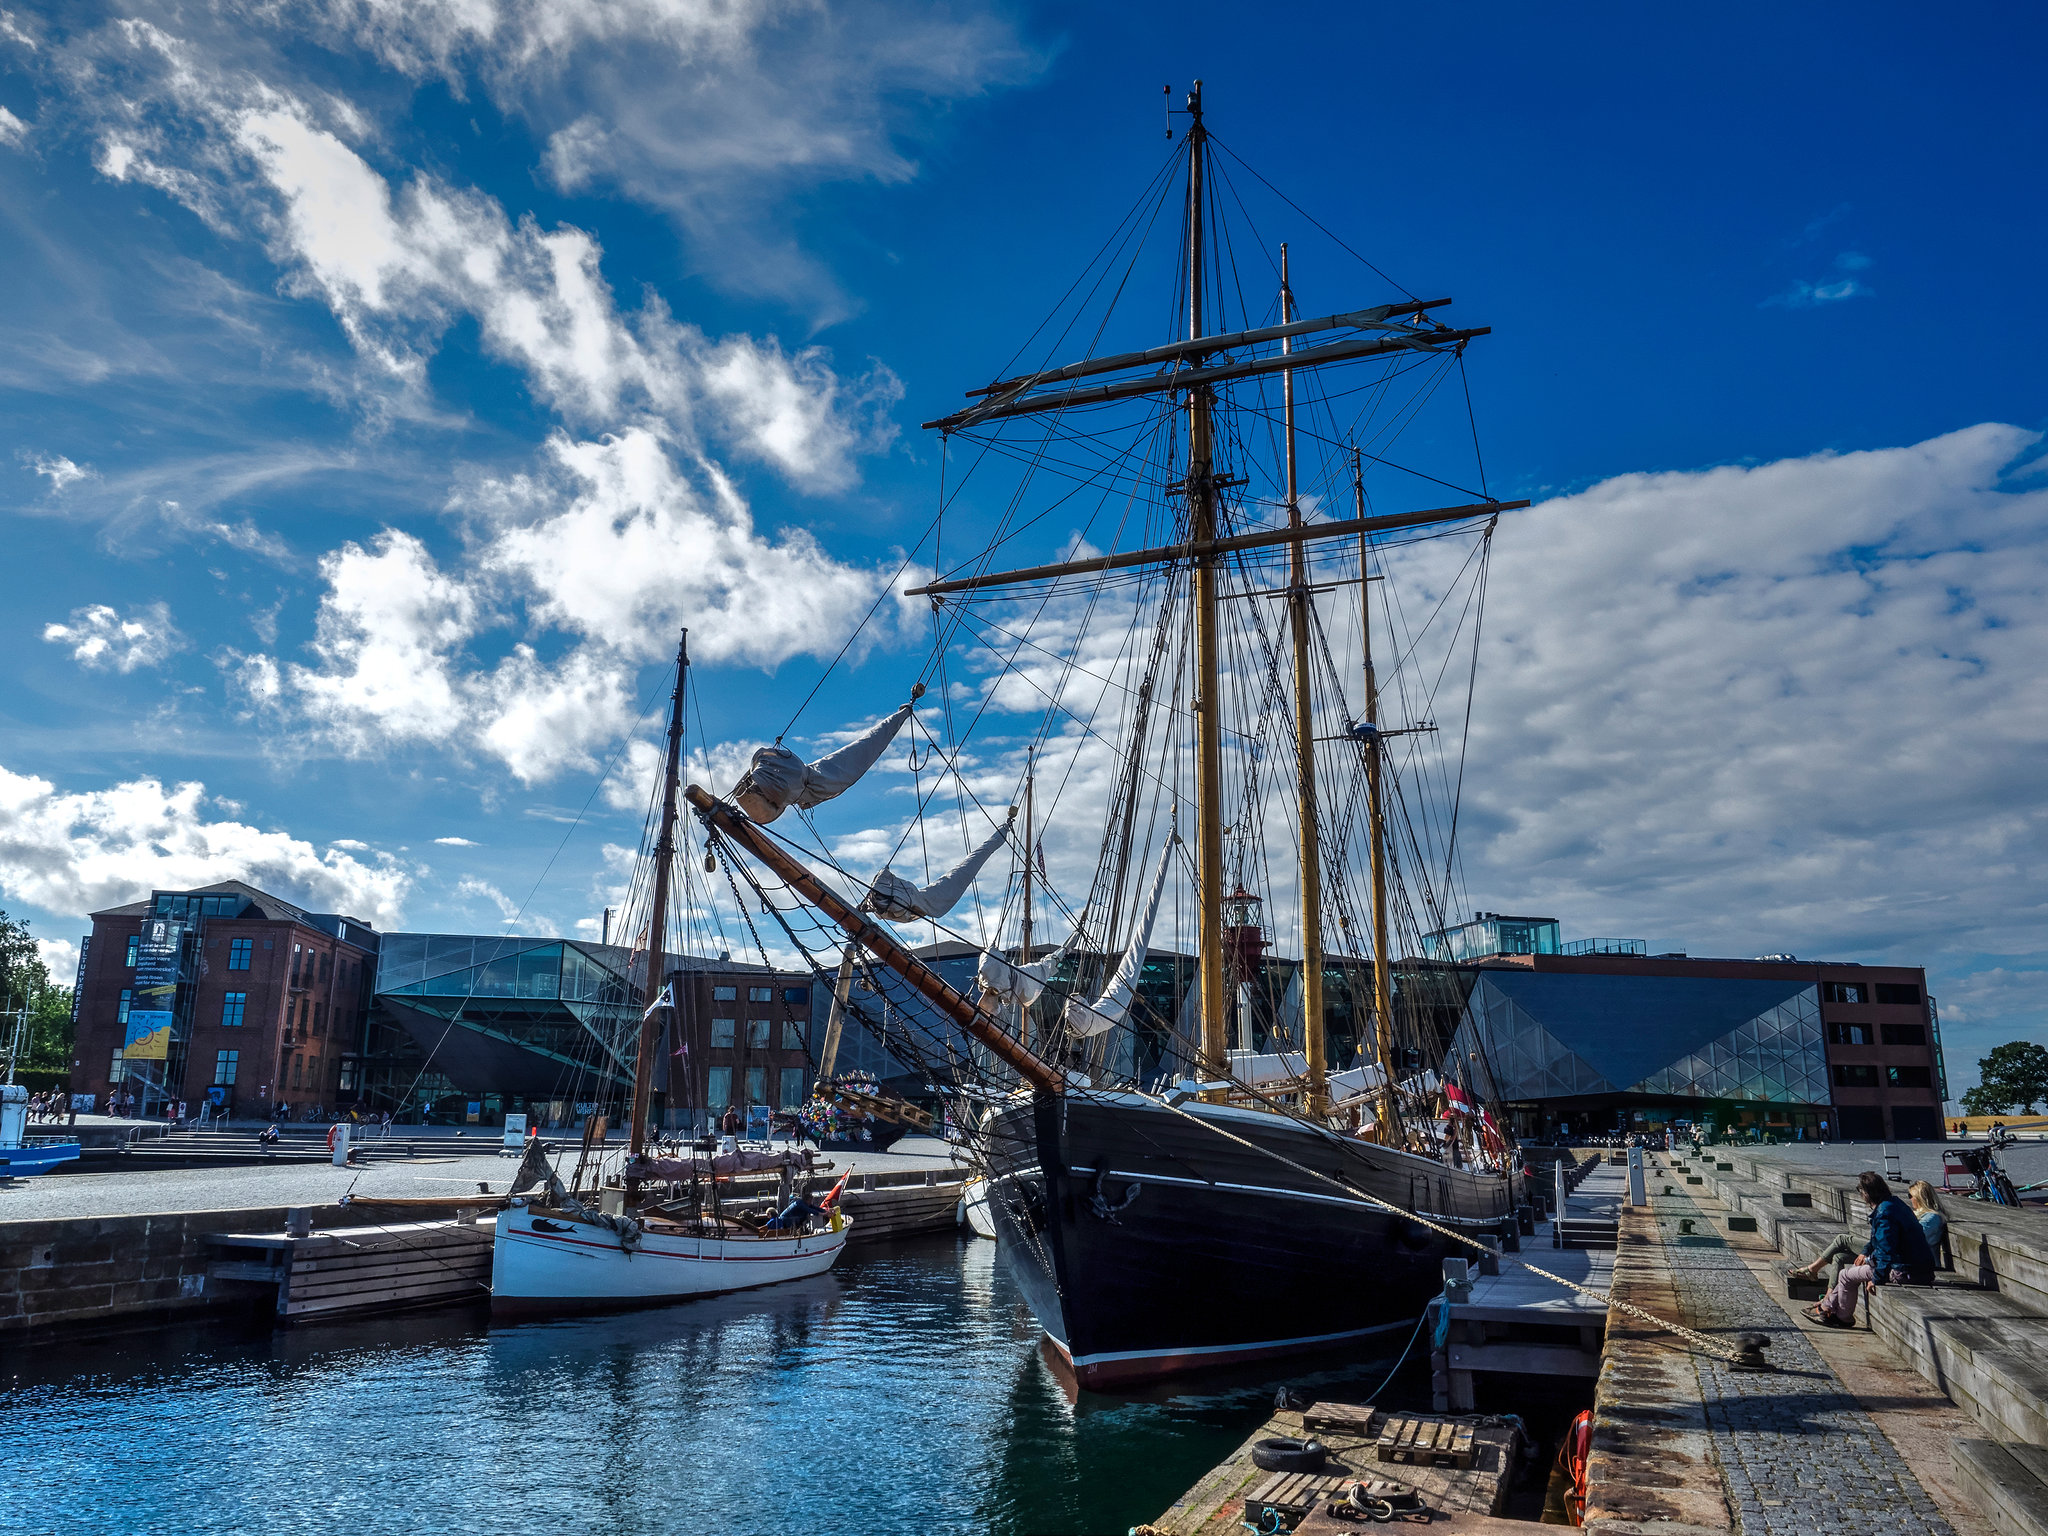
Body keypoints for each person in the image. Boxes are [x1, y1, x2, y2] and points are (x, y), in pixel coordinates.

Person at [1807, 1170, 1937, 1327]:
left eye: (1860, 1190)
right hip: (1917, 1267)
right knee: (1853, 1268)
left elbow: (1886, 1250)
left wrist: (1877, 1278)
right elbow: (1878, 1241)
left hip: (1905, 1270)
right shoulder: (1894, 1204)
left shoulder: (1884, 1213)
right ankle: (1826, 1307)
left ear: (1867, 1193)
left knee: (1845, 1275)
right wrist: (1865, 1252)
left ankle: (1842, 1317)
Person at [1907, 1180, 1948, 1267]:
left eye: (1910, 1196)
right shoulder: (1919, 1214)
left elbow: (1915, 1239)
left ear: (1919, 1198)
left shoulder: (1932, 1218)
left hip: (1926, 1266)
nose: (1910, 1199)